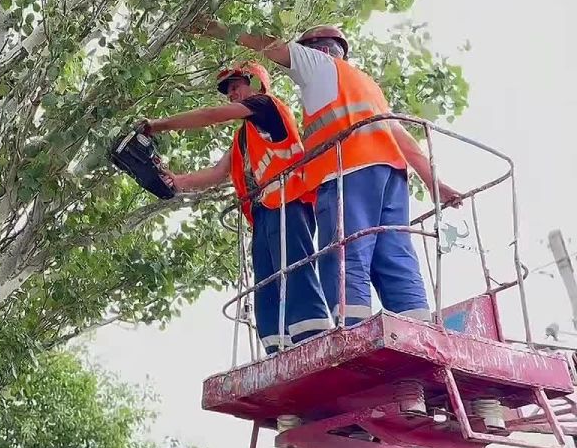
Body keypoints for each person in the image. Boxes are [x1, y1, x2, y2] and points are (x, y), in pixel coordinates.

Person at [188, 19, 462, 326]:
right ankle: (417, 327)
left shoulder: (318, 65)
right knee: (394, 257)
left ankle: (351, 333)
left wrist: (215, 28)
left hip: (348, 170)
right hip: (391, 175)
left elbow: (272, 46)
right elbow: (404, 139)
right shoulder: (366, 85)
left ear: (316, 50)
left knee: (344, 252)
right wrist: (434, 183)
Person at [144, 62, 332, 353]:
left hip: (288, 201)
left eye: (236, 87)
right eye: (228, 91)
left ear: (255, 83)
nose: (231, 95)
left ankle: (314, 339)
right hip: (262, 212)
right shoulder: (243, 136)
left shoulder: (267, 106)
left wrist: (158, 125)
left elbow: (209, 116)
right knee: (266, 284)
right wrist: (176, 181)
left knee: (295, 268)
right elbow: (218, 173)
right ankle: (276, 348)